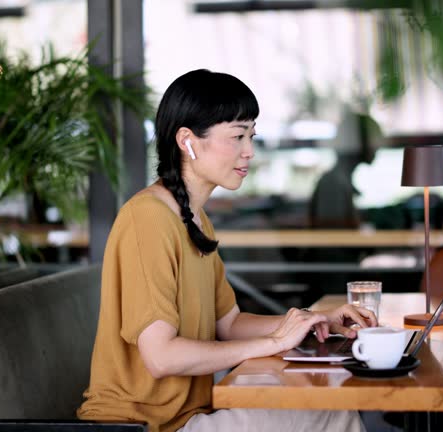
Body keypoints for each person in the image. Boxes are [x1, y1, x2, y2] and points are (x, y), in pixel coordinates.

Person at [76, 69, 377, 432]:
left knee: (328, 402)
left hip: (187, 416)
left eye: (251, 136)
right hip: (146, 426)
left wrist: (312, 320)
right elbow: (161, 357)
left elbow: (229, 324)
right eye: (237, 136)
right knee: (333, 411)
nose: (249, 151)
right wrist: (274, 341)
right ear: (187, 141)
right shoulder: (148, 219)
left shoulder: (195, 218)